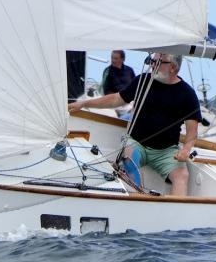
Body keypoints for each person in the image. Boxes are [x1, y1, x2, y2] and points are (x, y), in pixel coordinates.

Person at [68, 52, 203, 197]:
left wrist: (186, 150)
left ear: (173, 67)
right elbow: (116, 99)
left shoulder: (187, 94)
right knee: (129, 160)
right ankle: (137, 200)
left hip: (165, 152)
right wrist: (84, 104)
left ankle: (175, 211)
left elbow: (192, 131)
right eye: (151, 61)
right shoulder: (143, 80)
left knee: (182, 176)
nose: (152, 65)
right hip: (136, 143)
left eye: (157, 62)